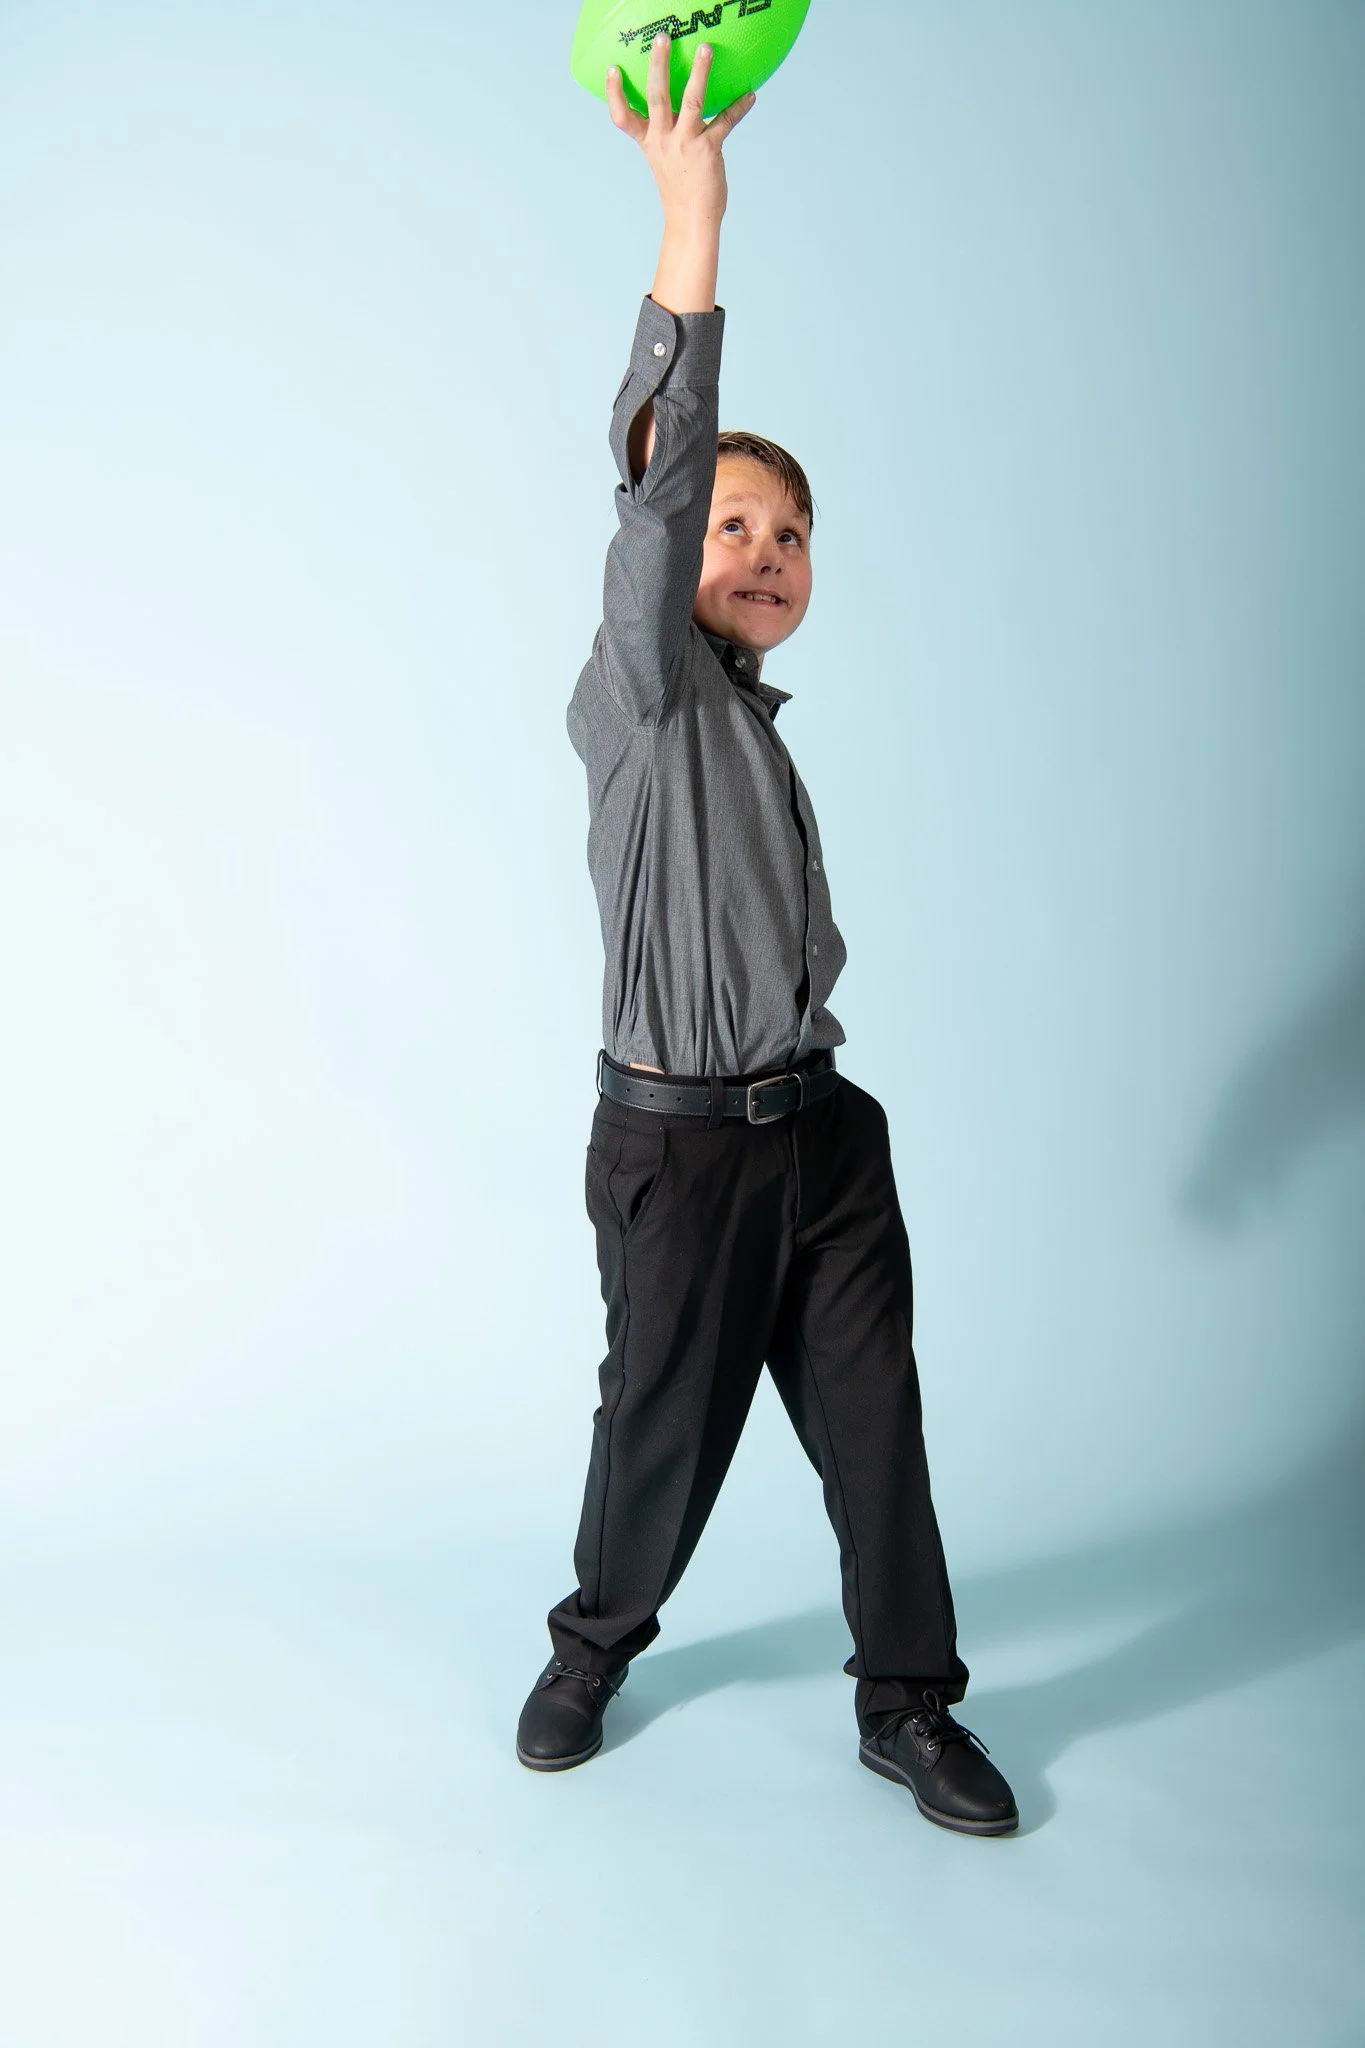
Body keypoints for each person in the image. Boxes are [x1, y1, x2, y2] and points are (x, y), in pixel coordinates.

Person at [515, 31, 1018, 1837]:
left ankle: (910, 1707)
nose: (764, 544)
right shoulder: (641, 690)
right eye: (736, 517)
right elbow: (653, 488)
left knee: (880, 1436)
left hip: (822, 1140)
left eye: (792, 530)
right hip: (677, 1152)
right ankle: (592, 1642)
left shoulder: (760, 725)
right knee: (657, 1437)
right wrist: (691, 218)